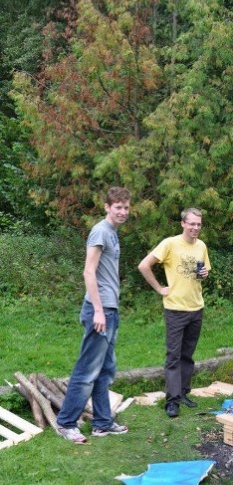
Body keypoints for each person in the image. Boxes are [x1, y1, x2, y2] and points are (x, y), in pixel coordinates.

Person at [56, 187, 131, 443]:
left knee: (105, 369)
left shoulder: (112, 233)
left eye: (126, 207)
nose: (122, 211)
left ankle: (102, 423)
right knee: (87, 369)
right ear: (107, 207)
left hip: (110, 309)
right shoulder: (100, 231)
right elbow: (89, 272)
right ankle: (66, 423)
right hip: (99, 310)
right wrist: (98, 310)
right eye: (118, 207)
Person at [138, 207, 211, 418]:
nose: (195, 228)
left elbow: (202, 273)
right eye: (192, 224)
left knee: (187, 356)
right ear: (183, 224)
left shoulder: (202, 246)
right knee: (173, 356)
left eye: (198, 224)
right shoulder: (170, 243)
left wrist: (204, 274)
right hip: (175, 309)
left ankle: (183, 393)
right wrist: (160, 288)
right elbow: (144, 266)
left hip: (196, 307)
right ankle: (171, 401)